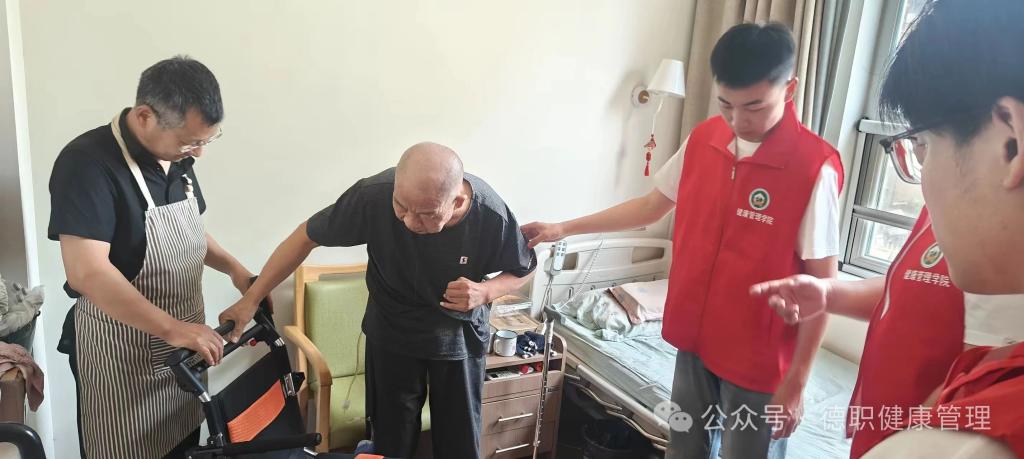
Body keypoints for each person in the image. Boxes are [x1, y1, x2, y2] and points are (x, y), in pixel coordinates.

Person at [523, 22, 843, 458]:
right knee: (685, 450)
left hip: (761, 359)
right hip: (695, 341)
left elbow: (825, 287)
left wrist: (798, 380)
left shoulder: (813, 167)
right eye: (726, 105)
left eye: (754, 107)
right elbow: (650, 207)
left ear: (789, 90)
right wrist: (564, 228)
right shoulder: (704, 140)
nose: (738, 122)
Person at [754, 0, 1024, 456]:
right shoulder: (967, 233)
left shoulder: (978, 436)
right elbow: (912, 288)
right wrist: (830, 294)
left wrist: (930, 431)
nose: (922, 178)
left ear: (1010, 143)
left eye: (922, 146)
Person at [219, 142, 536, 458]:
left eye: (426, 214)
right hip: (392, 331)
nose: (410, 221)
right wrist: (251, 299)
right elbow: (305, 236)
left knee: (459, 442)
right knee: (389, 440)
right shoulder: (373, 196)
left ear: (457, 202)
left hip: (456, 336)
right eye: (401, 206)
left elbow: (525, 267)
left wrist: (486, 291)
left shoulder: (490, 215)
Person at [48, 56, 259, 458]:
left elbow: (190, 231)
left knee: (184, 446)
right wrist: (173, 329)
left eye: (206, 141)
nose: (198, 154)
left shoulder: (178, 157)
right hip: (121, 356)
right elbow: (86, 272)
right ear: (145, 116)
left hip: (182, 352)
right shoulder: (87, 163)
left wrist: (237, 271)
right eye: (189, 142)